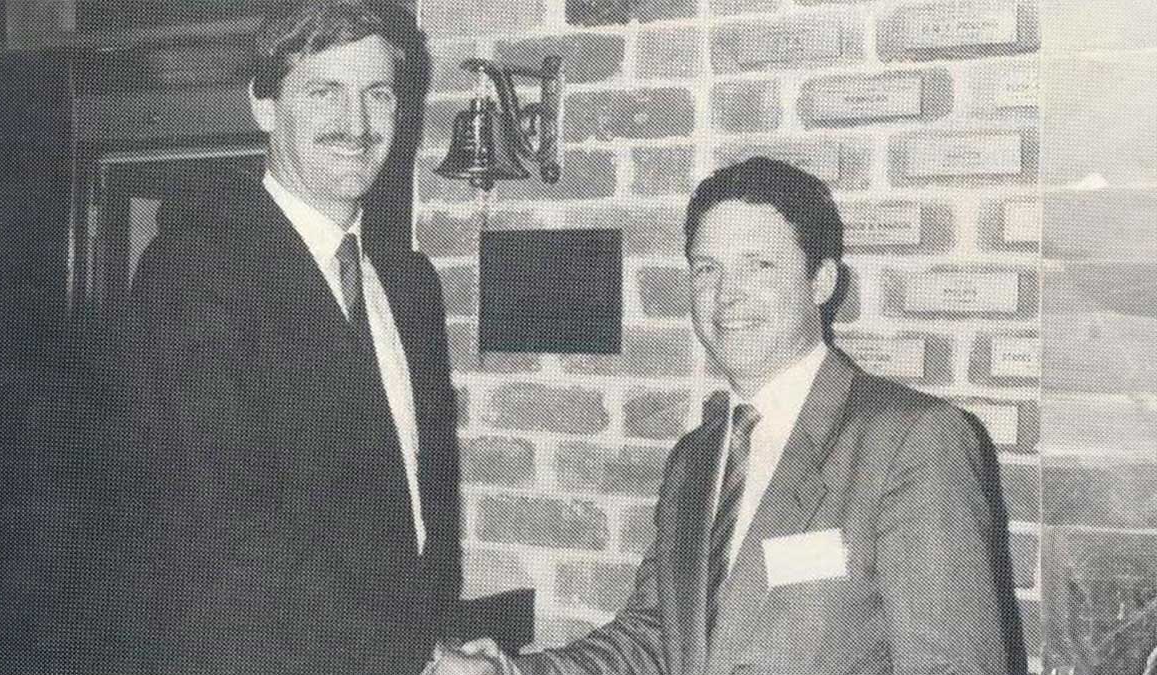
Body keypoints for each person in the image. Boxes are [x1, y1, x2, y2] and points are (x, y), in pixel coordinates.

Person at [432, 157, 1025, 675]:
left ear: (822, 282)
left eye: (758, 266)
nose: (726, 294)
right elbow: (654, 640)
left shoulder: (914, 443)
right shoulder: (697, 458)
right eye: (707, 268)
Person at [106, 2, 461, 673]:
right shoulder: (196, 269)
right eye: (323, 91)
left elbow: (419, 511)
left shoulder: (408, 284)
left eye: (377, 94)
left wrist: (429, 640)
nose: (356, 124)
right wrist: (417, 655)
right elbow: (230, 523)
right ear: (264, 106)